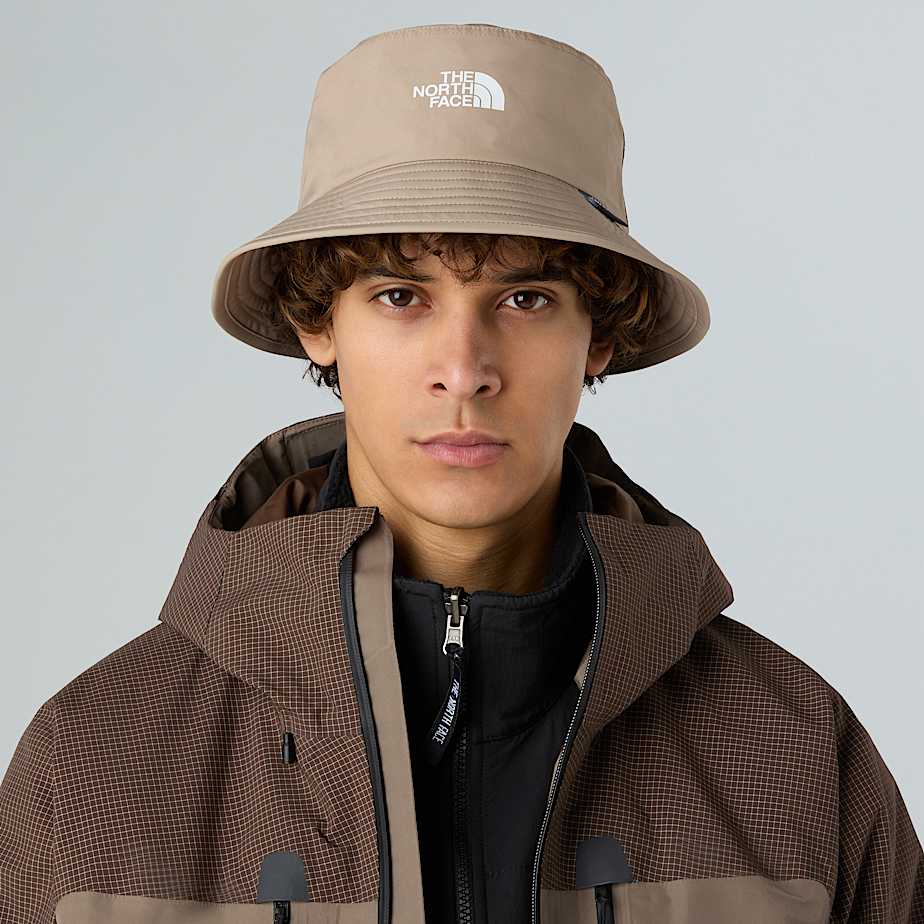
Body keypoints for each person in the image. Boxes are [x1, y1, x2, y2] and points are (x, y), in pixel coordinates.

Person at [1, 21, 921, 924]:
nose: (464, 368)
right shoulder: (92, 770)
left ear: (599, 334)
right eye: (401, 295)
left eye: (525, 298)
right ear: (318, 322)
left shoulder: (794, 757)